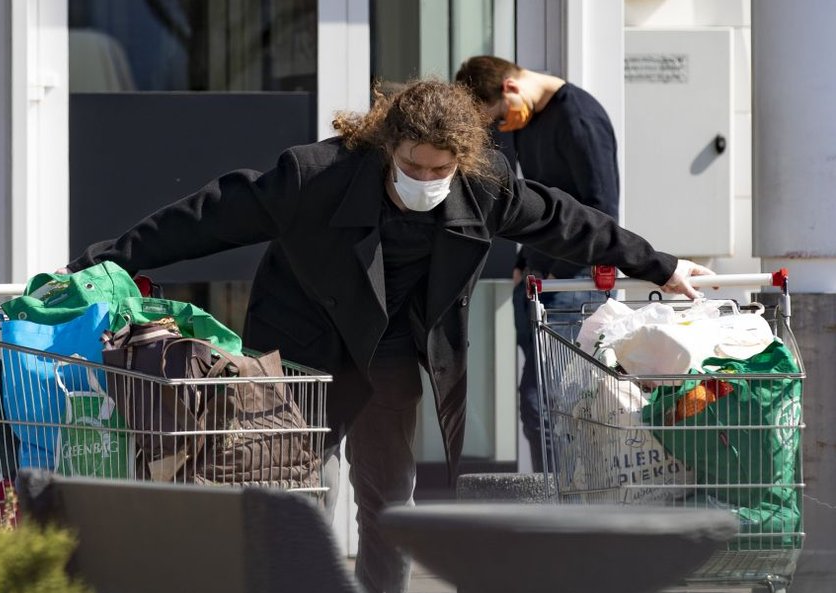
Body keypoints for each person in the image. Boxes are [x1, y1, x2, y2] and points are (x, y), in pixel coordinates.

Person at [63, 79, 712, 593]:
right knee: (287, 486)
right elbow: (208, 216)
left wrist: (662, 265)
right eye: (412, 166)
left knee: (387, 494)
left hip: (395, 355)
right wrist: (112, 255)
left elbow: (571, 224)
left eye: (440, 170)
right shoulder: (314, 175)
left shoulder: (488, 188)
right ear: (387, 148)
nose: (425, 181)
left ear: (462, 160)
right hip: (305, 345)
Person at [455, 55, 623, 472]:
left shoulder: (578, 118)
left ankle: (567, 507)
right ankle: (557, 501)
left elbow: (601, 211)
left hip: (573, 284)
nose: (501, 127)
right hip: (540, 279)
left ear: (510, 88)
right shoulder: (528, 122)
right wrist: (525, 260)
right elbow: (532, 205)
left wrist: (559, 273)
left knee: (553, 405)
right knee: (540, 406)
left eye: (497, 117)